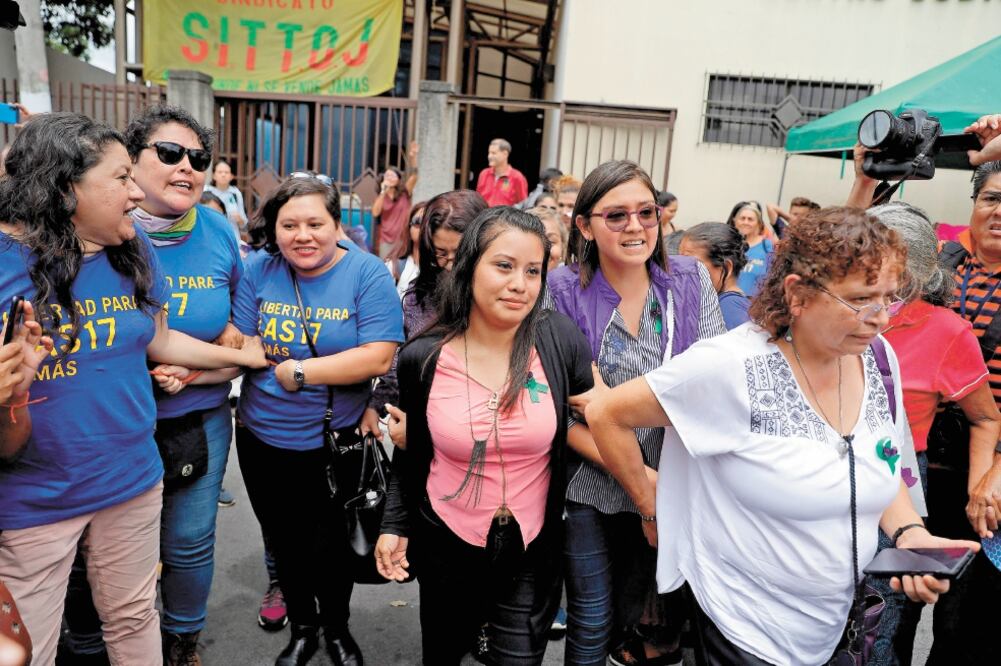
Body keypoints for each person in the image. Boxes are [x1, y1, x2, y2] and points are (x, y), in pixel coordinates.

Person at [584, 207, 978, 665]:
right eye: (861, 300)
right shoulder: (730, 367)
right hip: (744, 627)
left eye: (890, 299)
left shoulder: (878, 358)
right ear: (798, 294)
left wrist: (910, 532)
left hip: (834, 626)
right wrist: (651, 504)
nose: (882, 318)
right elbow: (606, 413)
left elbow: (878, 461)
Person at [0, 112, 266, 666]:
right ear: (65, 188)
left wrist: (243, 358)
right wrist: (8, 395)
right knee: (28, 649)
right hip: (36, 501)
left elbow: (160, 338)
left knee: (135, 616)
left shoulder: (132, 248)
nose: (136, 190)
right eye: (122, 178)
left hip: (133, 480)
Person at [376, 207, 595, 666]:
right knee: (444, 652)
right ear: (468, 265)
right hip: (446, 540)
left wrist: (646, 482)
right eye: (504, 266)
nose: (520, 284)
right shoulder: (424, 357)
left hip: (531, 545)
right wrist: (395, 525)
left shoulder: (559, 340)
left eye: (533, 271)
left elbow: (599, 414)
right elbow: (414, 454)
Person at [547, 160, 726, 666]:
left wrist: (607, 405)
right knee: (592, 622)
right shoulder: (561, 291)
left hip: (676, 479)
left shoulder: (689, 280)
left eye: (646, 213)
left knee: (654, 624)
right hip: (589, 482)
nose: (635, 227)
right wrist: (639, 477)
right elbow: (559, 414)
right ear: (584, 225)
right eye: (617, 215)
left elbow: (711, 385)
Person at [229, 174, 403, 666]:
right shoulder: (260, 269)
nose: (302, 236)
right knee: (284, 541)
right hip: (262, 436)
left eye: (314, 223)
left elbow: (378, 355)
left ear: (336, 225)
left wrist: (301, 372)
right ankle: (303, 628)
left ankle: (337, 629)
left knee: (332, 547)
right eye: (289, 225)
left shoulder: (367, 273)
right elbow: (242, 341)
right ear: (274, 227)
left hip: (334, 441)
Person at [846, 114, 1001, 665]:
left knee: (957, 622)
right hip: (902, 468)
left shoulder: (943, 328)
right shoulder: (947, 264)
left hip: (967, 477)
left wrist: (988, 476)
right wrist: (865, 183)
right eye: (989, 199)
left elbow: (988, 415)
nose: (998, 212)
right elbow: (850, 250)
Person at [368, 190, 488, 446]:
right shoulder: (418, 297)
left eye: (460, 254)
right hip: (414, 438)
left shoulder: (499, 300)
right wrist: (375, 405)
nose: (449, 264)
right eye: (440, 253)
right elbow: (398, 365)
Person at [679, 223, 751, 330]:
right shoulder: (715, 304)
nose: (681, 271)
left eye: (691, 264)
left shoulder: (730, 309)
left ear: (726, 267)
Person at [371, 152, 418, 258]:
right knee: (386, 269)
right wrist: (383, 191)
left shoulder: (405, 193)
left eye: (393, 175)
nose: (390, 177)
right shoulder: (381, 196)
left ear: (398, 179)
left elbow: (415, 176)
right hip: (385, 239)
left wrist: (413, 158)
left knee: (400, 269)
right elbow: (375, 212)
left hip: (403, 238)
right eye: (387, 175)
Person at [727, 201, 773, 298]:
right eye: (742, 218)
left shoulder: (766, 246)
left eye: (750, 219)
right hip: (729, 301)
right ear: (734, 220)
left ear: (759, 223)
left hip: (753, 304)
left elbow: (771, 278)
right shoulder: (728, 244)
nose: (746, 222)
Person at [384, 200, 426, 298]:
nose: (424, 227)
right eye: (418, 221)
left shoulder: (444, 270)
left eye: (430, 222)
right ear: (409, 227)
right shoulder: (393, 266)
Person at [476, 138, 529, 207]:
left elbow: (523, 204)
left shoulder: (517, 177)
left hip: (505, 217)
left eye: (493, 153)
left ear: (505, 154)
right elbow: (477, 199)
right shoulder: (484, 174)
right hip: (484, 216)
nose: (489, 156)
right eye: (489, 153)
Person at [204, 158, 248, 231]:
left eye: (226, 172)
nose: (223, 175)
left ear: (231, 176)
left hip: (231, 237)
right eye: (220, 172)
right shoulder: (206, 191)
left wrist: (239, 219)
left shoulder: (235, 193)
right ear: (214, 175)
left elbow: (244, 224)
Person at [529, 206, 565, 272]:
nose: (544, 249)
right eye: (533, 242)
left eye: (551, 242)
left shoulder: (575, 280)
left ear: (562, 246)